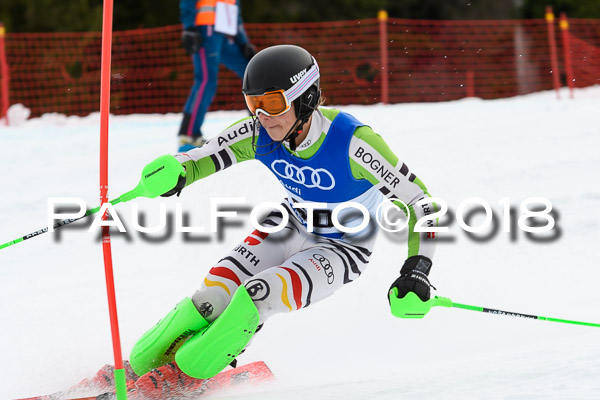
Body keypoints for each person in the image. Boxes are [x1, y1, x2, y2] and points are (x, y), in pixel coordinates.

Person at [127, 44, 439, 398]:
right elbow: (198, 160)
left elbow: (420, 201)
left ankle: (188, 375)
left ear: (305, 98)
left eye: (273, 103)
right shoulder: (259, 133)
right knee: (211, 296)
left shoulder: (353, 142)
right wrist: (174, 172)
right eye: (253, 104)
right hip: (288, 227)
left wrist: (418, 267)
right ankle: (137, 366)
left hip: (341, 248)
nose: (263, 116)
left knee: (257, 296)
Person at [178, 0, 256, 152]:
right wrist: (189, 28)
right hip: (205, 31)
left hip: (225, 33)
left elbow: (235, 12)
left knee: (250, 70)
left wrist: (243, 42)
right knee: (206, 81)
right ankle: (189, 135)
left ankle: (258, 124)